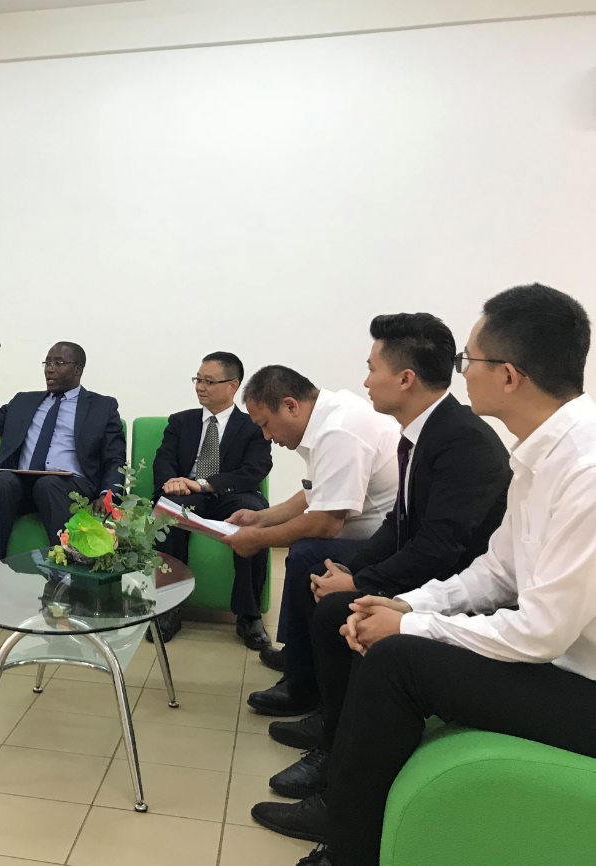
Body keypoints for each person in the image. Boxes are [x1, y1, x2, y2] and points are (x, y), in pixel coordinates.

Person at [277, 284, 596, 866]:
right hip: (560, 658)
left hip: (583, 683)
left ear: (509, 375)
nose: (460, 372)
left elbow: (541, 632)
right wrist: (407, 607)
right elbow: (497, 571)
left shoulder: (585, 468)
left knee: (397, 661)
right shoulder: (540, 455)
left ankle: (345, 847)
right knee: (381, 630)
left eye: (468, 359)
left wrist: (409, 626)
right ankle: (343, 799)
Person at [251, 313, 511, 842]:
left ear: (405, 378)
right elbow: (399, 524)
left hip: (461, 590)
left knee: (343, 610)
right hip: (440, 573)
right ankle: (331, 735)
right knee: (331, 597)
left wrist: (364, 586)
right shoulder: (422, 433)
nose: (365, 380)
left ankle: (338, 778)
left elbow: (440, 550)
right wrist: (355, 571)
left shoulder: (463, 442)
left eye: (373, 368)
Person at [226, 366, 399, 716]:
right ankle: (299, 652)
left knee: (307, 553)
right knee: (303, 549)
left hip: (387, 543)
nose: (266, 436)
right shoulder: (328, 416)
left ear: (290, 405)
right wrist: (260, 518)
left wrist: (258, 539)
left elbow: (326, 524)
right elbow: (313, 494)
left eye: (265, 424)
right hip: (371, 532)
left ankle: (303, 684)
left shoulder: (339, 431)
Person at [0, 342, 126, 633]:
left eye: (58, 363)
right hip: (22, 485)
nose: (50, 369)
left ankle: (62, 587)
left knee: (49, 483)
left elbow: (115, 458)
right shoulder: (23, 401)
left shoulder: (102, 406)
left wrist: (107, 495)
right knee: (2, 481)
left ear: (78, 369)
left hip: (70, 486)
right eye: (47, 363)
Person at [151, 351, 273, 647]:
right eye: (198, 380)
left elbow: (254, 470)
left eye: (208, 381)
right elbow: (163, 459)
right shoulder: (180, 421)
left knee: (254, 518)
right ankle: (169, 607)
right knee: (169, 511)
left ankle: (248, 615)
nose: (200, 387)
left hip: (232, 494)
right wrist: (173, 483)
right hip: (187, 494)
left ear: (233, 386)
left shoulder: (253, 426)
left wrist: (204, 484)